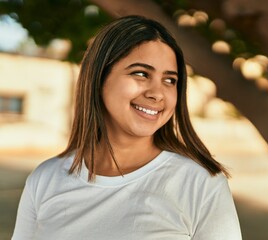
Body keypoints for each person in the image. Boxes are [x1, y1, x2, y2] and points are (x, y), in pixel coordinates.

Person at [12, 15, 242, 240]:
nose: (157, 93)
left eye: (170, 80)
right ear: (99, 77)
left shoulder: (200, 183)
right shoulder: (45, 179)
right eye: (141, 74)